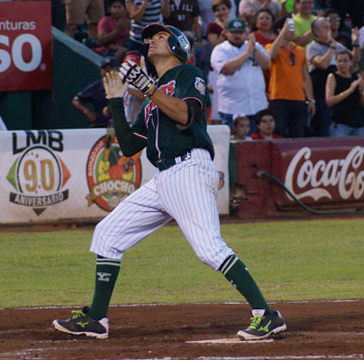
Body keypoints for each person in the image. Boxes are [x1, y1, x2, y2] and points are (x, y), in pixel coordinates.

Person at [52, 23, 287, 341]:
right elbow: (131, 146)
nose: (151, 41)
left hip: (189, 167)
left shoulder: (187, 74)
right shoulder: (154, 92)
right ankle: (96, 317)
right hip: (165, 177)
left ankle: (267, 315)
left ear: (177, 45)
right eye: (149, 38)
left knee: (208, 248)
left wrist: (148, 89)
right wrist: (118, 101)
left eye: (160, 36)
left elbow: (186, 116)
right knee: (107, 234)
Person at [210, 18, 271, 131]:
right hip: (232, 108)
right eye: (233, 32)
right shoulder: (220, 49)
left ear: (246, 33)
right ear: (226, 32)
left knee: (257, 145)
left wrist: (253, 49)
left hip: (258, 106)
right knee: (236, 145)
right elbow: (226, 69)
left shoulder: (255, 46)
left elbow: (266, 64)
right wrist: (247, 53)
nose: (237, 36)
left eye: (240, 32)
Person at [306, 17, 357, 137]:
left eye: (329, 27)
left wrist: (356, 43)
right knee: (322, 126)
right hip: (320, 93)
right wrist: (332, 48)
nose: (330, 30)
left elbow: (353, 60)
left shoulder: (338, 46)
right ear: (316, 32)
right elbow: (322, 64)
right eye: (326, 28)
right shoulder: (312, 47)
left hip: (337, 92)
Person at [267, 17, 315, 138]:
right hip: (278, 97)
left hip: (298, 98)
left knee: (298, 134)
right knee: (279, 132)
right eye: (290, 28)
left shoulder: (299, 50)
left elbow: (305, 76)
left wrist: (310, 99)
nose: (293, 31)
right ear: (280, 30)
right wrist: (283, 32)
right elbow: (271, 55)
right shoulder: (271, 46)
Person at [325, 50, 364, 137]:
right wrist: (349, 90)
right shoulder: (333, 77)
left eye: (345, 61)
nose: (342, 64)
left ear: (351, 62)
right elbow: (329, 101)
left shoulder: (356, 77)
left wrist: (362, 90)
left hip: (357, 123)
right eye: (339, 61)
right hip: (340, 123)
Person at [72, 57, 118, 128]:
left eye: (111, 68)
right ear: (101, 71)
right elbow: (76, 100)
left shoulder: (123, 85)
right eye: (105, 69)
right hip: (101, 125)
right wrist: (87, 112)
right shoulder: (95, 87)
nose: (108, 71)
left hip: (121, 125)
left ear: (116, 70)